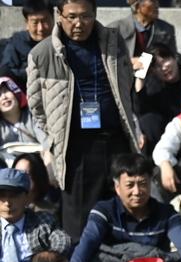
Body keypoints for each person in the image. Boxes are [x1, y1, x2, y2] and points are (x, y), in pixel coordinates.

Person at [28, 0, 140, 240]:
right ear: (59, 15)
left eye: (85, 16)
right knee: (78, 223)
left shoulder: (113, 41)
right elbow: (36, 105)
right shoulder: (43, 53)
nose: (79, 23)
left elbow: (127, 84)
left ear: (95, 14)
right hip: (76, 148)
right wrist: (55, 137)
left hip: (115, 141)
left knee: (123, 214)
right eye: (71, 17)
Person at [71, 151, 181, 262]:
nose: (137, 192)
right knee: (87, 260)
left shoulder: (166, 213)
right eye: (130, 185)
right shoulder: (104, 210)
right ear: (117, 187)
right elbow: (88, 241)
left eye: (143, 183)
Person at [0, 3, 54, 91]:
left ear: (53, 19)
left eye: (45, 21)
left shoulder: (62, 43)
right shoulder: (16, 43)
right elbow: (6, 71)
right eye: (35, 23)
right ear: (27, 23)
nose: (41, 28)